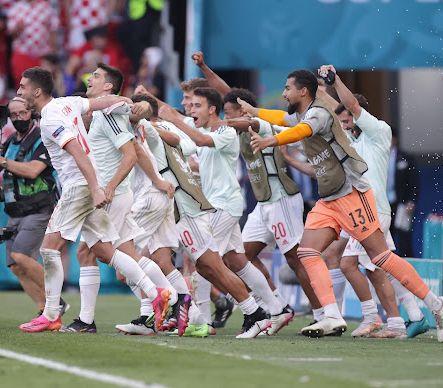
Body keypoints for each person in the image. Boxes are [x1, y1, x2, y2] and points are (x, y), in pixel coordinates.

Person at [238, 69, 443, 340]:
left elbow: (302, 129)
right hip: (329, 199)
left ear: (302, 91)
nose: (283, 93)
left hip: (352, 194)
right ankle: (331, 315)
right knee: (307, 252)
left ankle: (434, 304)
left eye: (287, 88)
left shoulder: (320, 114)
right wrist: (254, 111)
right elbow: (282, 118)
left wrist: (272, 139)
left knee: (380, 258)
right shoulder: (304, 113)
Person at [15, 67, 170, 333]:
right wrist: (132, 102)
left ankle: (51, 313)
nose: (18, 92)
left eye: (22, 87)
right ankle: (155, 293)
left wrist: (96, 189)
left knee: (49, 247)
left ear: (36, 91)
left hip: (80, 186)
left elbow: (77, 152)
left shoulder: (52, 118)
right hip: (90, 185)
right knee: (106, 251)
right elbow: (108, 101)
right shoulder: (67, 103)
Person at [190, 51, 317, 333]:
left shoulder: (261, 122)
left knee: (295, 258)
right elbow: (226, 93)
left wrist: (221, 123)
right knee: (241, 256)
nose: (224, 115)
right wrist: (204, 67)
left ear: (241, 109)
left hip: (281, 197)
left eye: (228, 111)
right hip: (262, 202)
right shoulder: (233, 125)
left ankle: (322, 313)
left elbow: (240, 116)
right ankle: (278, 306)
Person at [136, 92, 273, 338]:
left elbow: (191, 141)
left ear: (213, 109)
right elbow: (186, 137)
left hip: (201, 205)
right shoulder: (175, 126)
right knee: (203, 264)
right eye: (189, 104)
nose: (190, 109)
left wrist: (155, 125)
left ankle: (258, 313)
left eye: (197, 105)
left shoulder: (224, 131)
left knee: (212, 266)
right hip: (182, 206)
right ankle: (190, 317)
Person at [317, 65, 429, 339]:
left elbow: (350, 105)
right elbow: (342, 108)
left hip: (374, 211)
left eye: (347, 121)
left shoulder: (378, 131)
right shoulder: (356, 141)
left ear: (358, 117)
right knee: (387, 266)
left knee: (348, 264)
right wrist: (321, 89)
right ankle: (414, 316)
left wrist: (336, 80)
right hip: (365, 210)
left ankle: (378, 319)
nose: (344, 126)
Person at [64, 63, 177, 334]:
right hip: (119, 194)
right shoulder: (101, 112)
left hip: (111, 195)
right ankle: (174, 302)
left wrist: (110, 187)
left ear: (109, 88)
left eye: (97, 76)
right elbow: (136, 142)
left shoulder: (110, 113)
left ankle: (91, 319)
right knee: (125, 254)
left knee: (89, 253)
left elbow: (131, 152)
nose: (90, 78)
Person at [0, 97, 65, 319]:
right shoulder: (9, 142)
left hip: (38, 208)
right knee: (15, 265)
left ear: (32, 113)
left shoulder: (42, 138)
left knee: (21, 255)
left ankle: (57, 299)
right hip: (15, 210)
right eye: (14, 115)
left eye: (22, 113)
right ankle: (45, 309)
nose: (18, 118)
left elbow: (33, 171)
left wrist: (2, 162)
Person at [116, 92, 192, 335]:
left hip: (152, 194)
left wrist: (157, 181)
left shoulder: (136, 123)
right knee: (162, 260)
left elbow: (168, 139)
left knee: (122, 263)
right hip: (160, 195)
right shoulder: (140, 124)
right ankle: (194, 317)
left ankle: (159, 304)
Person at [7, 0, 59, 82]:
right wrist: (18, 28)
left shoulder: (45, 6)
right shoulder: (15, 9)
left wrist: (53, 48)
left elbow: (54, 27)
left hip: (43, 53)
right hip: (23, 52)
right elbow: (10, 34)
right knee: (23, 83)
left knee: (43, 84)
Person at [388, 127, 419, 258]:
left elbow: (414, 182)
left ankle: (408, 268)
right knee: (383, 239)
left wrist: (412, 200)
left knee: (404, 238)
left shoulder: (405, 158)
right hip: (383, 203)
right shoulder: (376, 155)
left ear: (395, 139)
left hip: (402, 204)